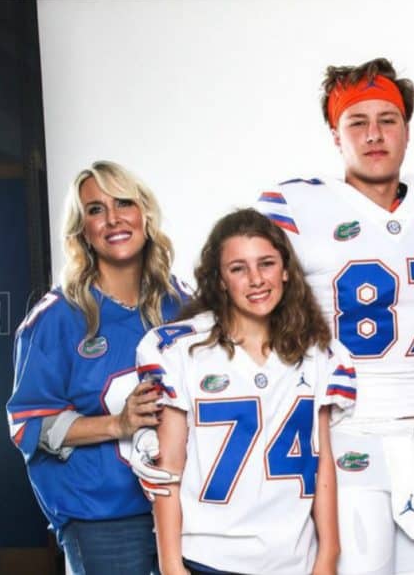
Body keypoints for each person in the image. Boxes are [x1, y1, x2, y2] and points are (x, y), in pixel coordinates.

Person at [252, 58, 414, 575]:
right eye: (357, 122)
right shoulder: (293, 205)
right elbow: (245, 311)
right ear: (336, 135)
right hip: (344, 432)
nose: (374, 135)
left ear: (407, 130)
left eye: (387, 120)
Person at [140, 209, 356, 575]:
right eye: (238, 268)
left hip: (292, 560)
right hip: (209, 557)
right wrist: (171, 566)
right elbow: (168, 469)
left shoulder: (320, 354)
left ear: (286, 270)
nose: (256, 279)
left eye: (266, 264)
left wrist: (328, 554)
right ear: (220, 279)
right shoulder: (181, 350)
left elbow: (322, 464)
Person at [7, 161, 186, 574]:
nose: (113, 219)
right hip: (103, 517)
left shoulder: (179, 302)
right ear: (80, 230)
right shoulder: (55, 318)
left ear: (145, 213)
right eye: (95, 209)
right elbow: (27, 425)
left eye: (124, 203)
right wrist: (117, 425)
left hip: (179, 502)